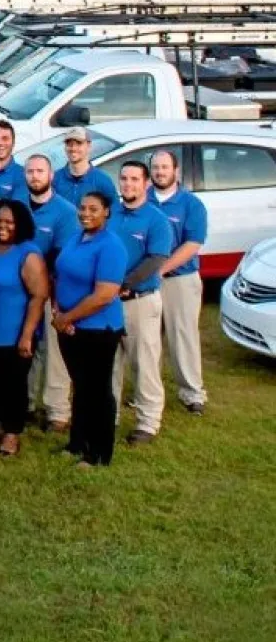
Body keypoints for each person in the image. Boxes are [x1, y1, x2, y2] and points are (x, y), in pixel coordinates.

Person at [51, 192, 129, 467]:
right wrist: (59, 313)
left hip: (98, 329)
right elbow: (60, 276)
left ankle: (98, 453)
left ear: (107, 211)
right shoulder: (76, 237)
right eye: (83, 208)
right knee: (81, 387)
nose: (86, 213)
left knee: (97, 391)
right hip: (70, 326)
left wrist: (68, 317)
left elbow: (104, 294)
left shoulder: (111, 246)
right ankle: (77, 443)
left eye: (94, 209)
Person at [0, 199, 49, 456]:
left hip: (15, 332)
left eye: (9, 222)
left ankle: (12, 433)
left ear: (20, 224)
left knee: (13, 384)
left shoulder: (28, 254)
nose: (3, 226)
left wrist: (27, 334)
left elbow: (39, 296)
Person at [109, 161, 174, 445]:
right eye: (124, 179)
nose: (128, 184)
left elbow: (156, 260)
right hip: (108, 302)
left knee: (144, 362)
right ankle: (108, 416)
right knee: (109, 364)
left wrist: (125, 284)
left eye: (135, 179)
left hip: (140, 300)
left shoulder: (156, 220)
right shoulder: (112, 214)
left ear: (146, 183)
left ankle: (148, 422)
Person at [149, 149, 208, 418]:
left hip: (180, 280)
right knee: (148, 340)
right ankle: (148, 392)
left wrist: (159, 269)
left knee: (182, 337)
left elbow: (192, 244)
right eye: (156, 167)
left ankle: (192, 393)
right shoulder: (142, 199)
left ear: (176, 171)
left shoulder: (191, 204)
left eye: (164, 167)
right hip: (146, 281)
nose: (160, 172)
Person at [25, 153, 81, 433]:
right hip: (20, 291)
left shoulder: (65, 212)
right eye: (30, 171)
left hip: (51, 289)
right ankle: (26, 403)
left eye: (40, 171)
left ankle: (57, 410)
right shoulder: (19, 206)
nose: (35, 176)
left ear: (50, 176)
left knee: (53, 351)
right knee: (24, 348)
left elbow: (60, 258)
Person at [52, 126, 117, 209]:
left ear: (89, 145)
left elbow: (115, 214)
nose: (73, 148)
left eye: (79, 143)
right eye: (69, 144)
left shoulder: (102, 181)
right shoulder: (55, 180)